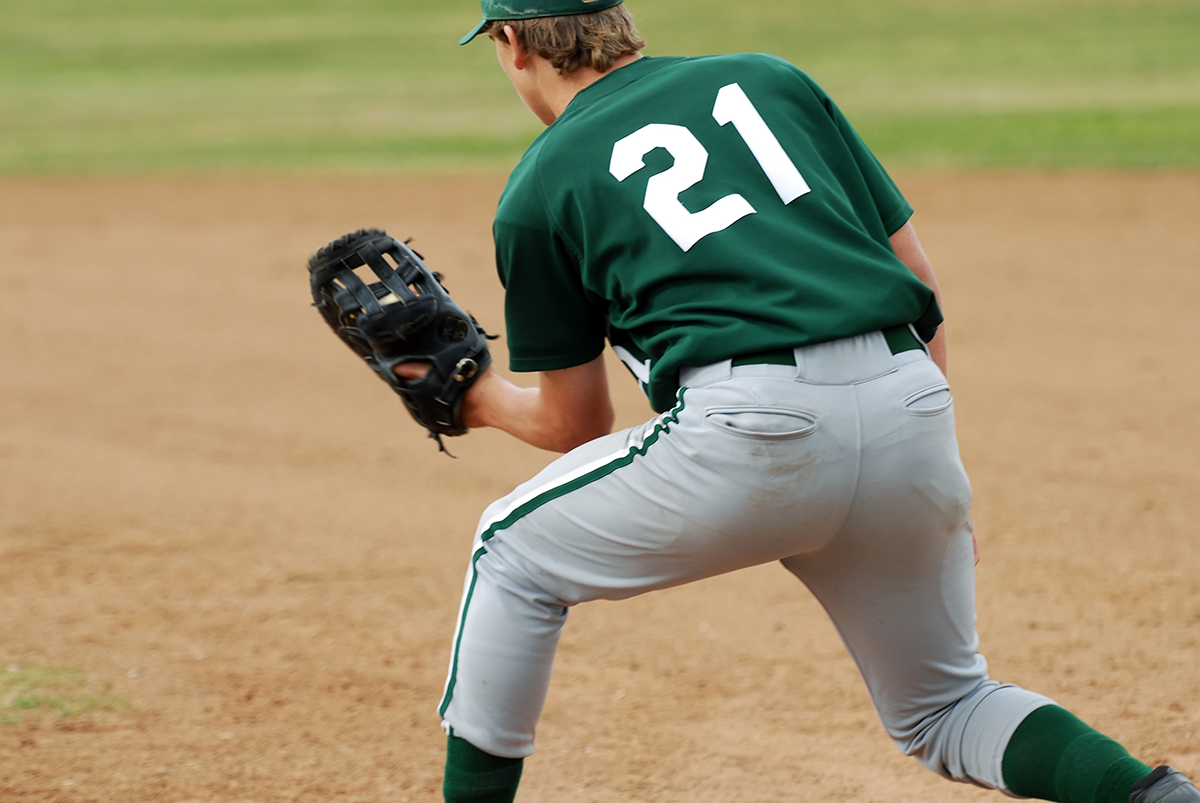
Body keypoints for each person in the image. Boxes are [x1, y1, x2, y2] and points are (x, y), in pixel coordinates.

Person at [410, 2, 1200, 801]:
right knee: (949, 706)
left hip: (750, 432)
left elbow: (575, 424)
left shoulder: (540, 183)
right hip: (910, 404)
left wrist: (475, 398)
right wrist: (935, 479)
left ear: (511, 44)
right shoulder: (770, 80)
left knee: (509, 553)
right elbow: (916, 280)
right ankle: (1156, 796)